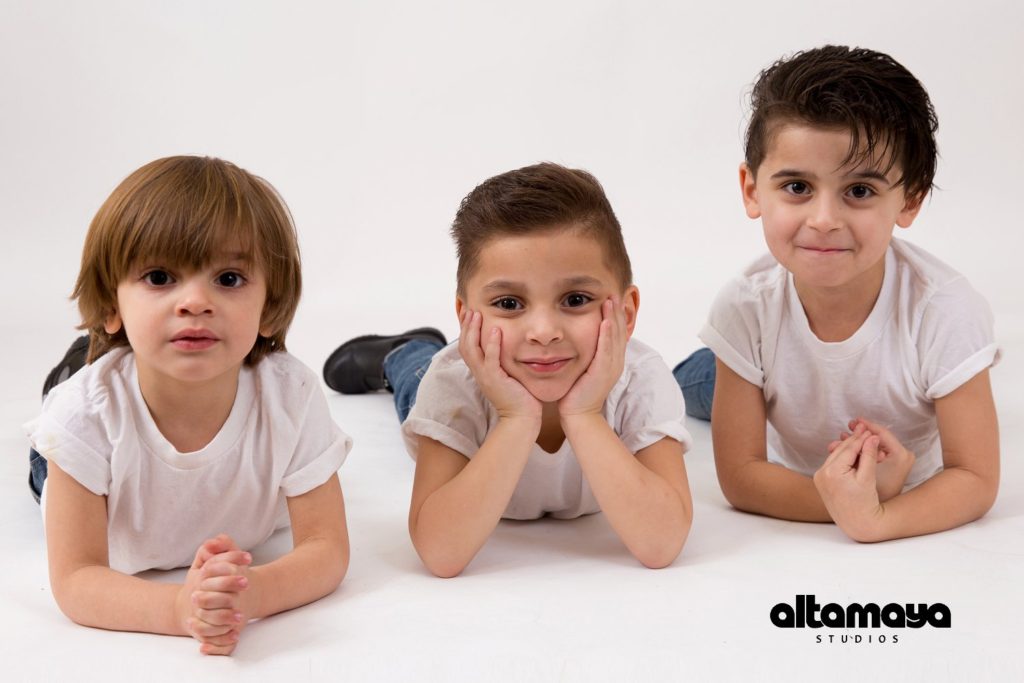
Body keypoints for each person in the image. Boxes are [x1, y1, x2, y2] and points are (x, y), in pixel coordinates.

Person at [25, 156, 351, 655]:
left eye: (229, 279)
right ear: (111, 304)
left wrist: (252, 592)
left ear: (270, 306)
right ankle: (83, 357)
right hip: (87, 448)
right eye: (159, 277)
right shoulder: (83, 415)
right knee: (56, 423)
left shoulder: (292, 396)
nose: (195, 302)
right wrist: (181, 607)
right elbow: (76, 578)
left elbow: (326, 548)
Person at [673, 45, 1000, 542]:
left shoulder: (945, 312)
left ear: (910, 200)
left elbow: (974, 477)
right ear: (752, 190)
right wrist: (857, 503)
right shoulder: (744, 307)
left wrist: (878, 519)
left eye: (860, 191)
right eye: (797, 187)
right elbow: (741, 477)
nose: (824, 220)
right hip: (748, 370)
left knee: (956, 367)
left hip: (785, 372)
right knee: (677, 388)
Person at [324, 163, 693, 576]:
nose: (544, 332)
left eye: (575, 300)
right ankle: (404, 354)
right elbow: (440, 553)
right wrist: (516, 417)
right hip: (461, 377)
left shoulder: (641, 378)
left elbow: (662, 542)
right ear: (466, 317)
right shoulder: (453, 382)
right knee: (418, 381)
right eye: (509, 304)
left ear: (626, 312)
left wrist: (584, 414)